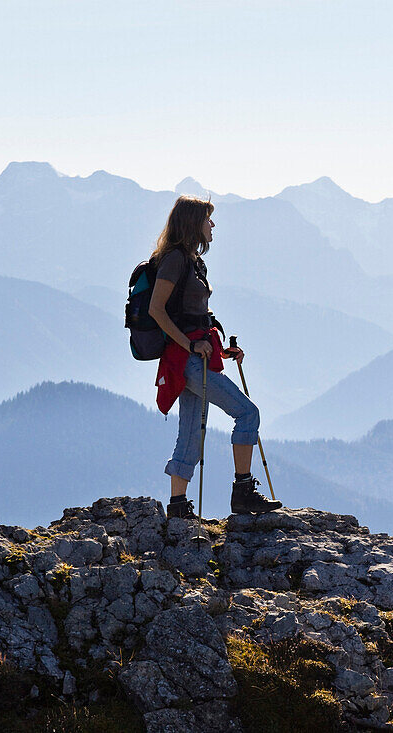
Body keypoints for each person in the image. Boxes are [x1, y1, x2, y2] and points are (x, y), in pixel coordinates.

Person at [147, 195, 282, 518]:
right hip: (188, 359)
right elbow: (156, 310)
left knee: (191, 431)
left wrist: (221, 349)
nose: (213, 225)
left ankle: (178, 507)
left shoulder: (192, 261)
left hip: (196, 356)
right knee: (248, 414)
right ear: (193, 223)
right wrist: (191, 346)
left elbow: (194, 315)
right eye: (208, 219)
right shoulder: (175, 260)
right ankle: (243, 492)